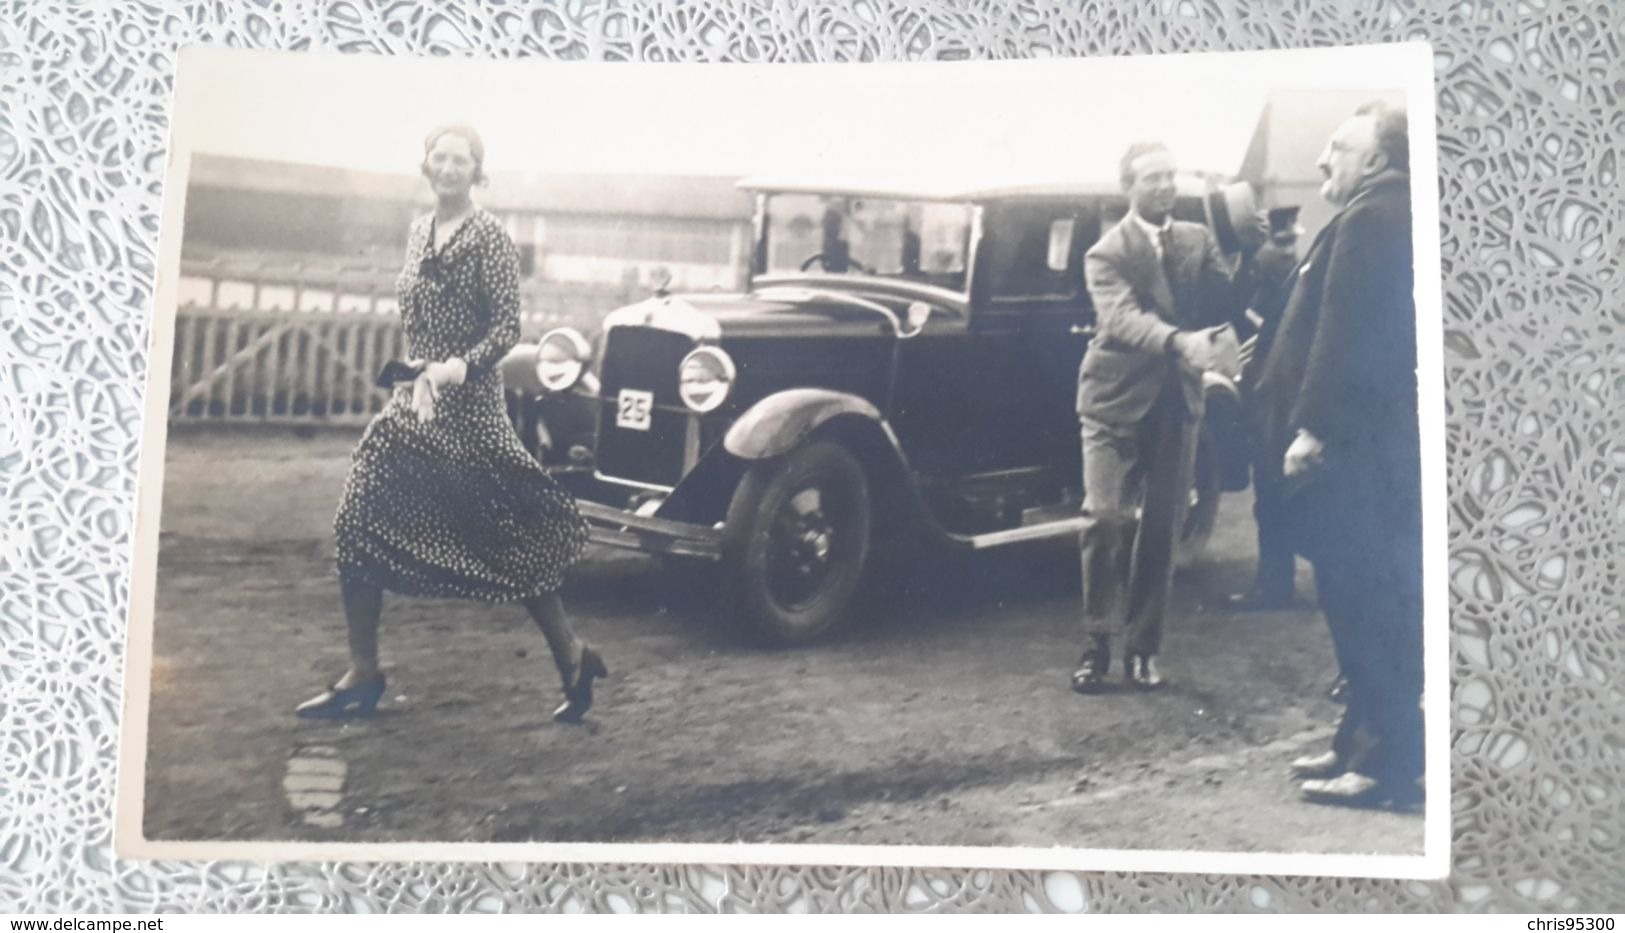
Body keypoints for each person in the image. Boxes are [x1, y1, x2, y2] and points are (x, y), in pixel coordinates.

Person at [297, 125, 607, 725]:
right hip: (413, 405)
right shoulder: (418, 230)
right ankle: (364, 672)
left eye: (459, 160)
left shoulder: (491, 237)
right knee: (356, 518)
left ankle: (572, 655)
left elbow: (508, 328)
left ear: (476, 170)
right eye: (438, 157)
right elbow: (416, 315)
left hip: (469, 410)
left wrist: (454, 369)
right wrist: (417, 377)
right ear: (427, 166)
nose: (447, 168)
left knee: (507, 538)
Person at [1250, 101, 1424, 808]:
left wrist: (1311, 428)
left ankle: (1384, 763)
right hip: (1357, 445)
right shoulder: (1373, 210)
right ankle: (1358, 738)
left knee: (1362, 601)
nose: (1321, 160)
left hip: (1348, 448)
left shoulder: (1372, 215)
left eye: (1337, 147)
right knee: (1353, 597)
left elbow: (1342, 333)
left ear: (1376, 158)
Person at [1071, 142, 1250, 692]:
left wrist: (1245, 246)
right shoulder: (1106, 252)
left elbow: (1225, 301)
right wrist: (1180, 342)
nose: (1166, 186)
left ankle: (1144, 648)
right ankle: (1097, 643)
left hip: (1177, 402)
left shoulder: (1196, 238)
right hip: (1113, 402)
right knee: (1104, 518)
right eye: (1152, 177)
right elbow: (1123, 319)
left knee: (1161, 530)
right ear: (1128, 186)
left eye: (1171, 175)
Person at [1228, 207, 1305, 611]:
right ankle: (1283, 582)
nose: (1290, 244)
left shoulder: (1263, 264)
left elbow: (1255, 317)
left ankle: (1274, 585)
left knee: (1271, 491)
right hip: (1285, 386)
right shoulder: (1289, 262)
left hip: (1269, 389)